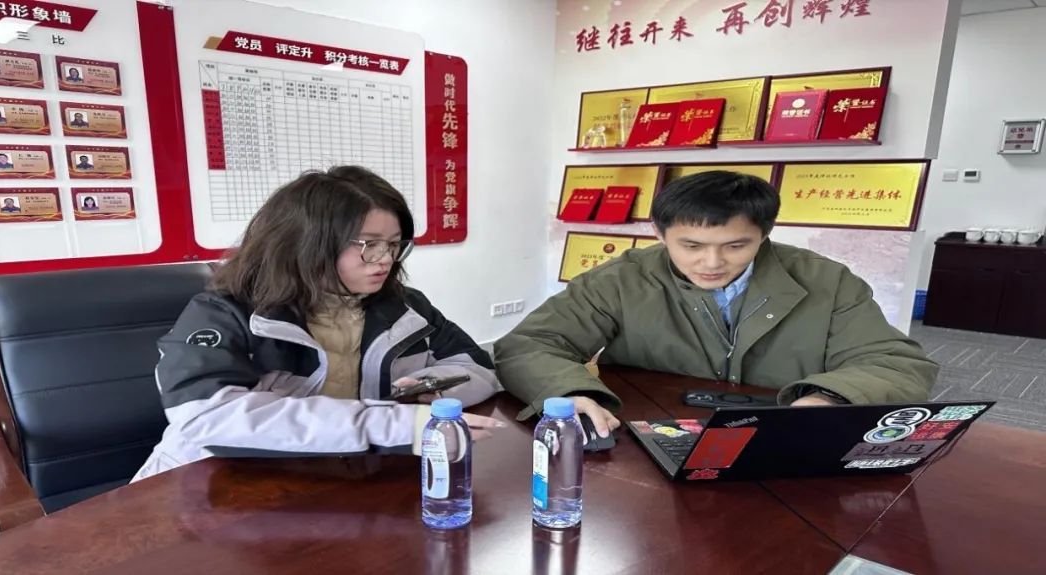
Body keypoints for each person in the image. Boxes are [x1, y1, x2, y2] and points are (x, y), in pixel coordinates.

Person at [495, 171, 939, 437]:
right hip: (648, 434)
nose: (711, 263)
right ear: (658, 233)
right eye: (690, 245)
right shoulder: (622, 278)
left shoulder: (826, 280)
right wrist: (568, 394)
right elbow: (529, 344)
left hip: (780, 439)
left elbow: (896, 364)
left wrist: (828, 399)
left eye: (736, 246)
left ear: (764, 233)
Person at [133, 166, 502, 481]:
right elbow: (208, 416)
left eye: (394, 244)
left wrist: (431, 389)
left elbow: (479, 368)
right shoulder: (227, 311)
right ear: (308, 244)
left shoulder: (405, 307)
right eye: (369, 245)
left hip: (337, 479)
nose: (385, 260)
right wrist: (394, 425)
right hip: (213, 484)